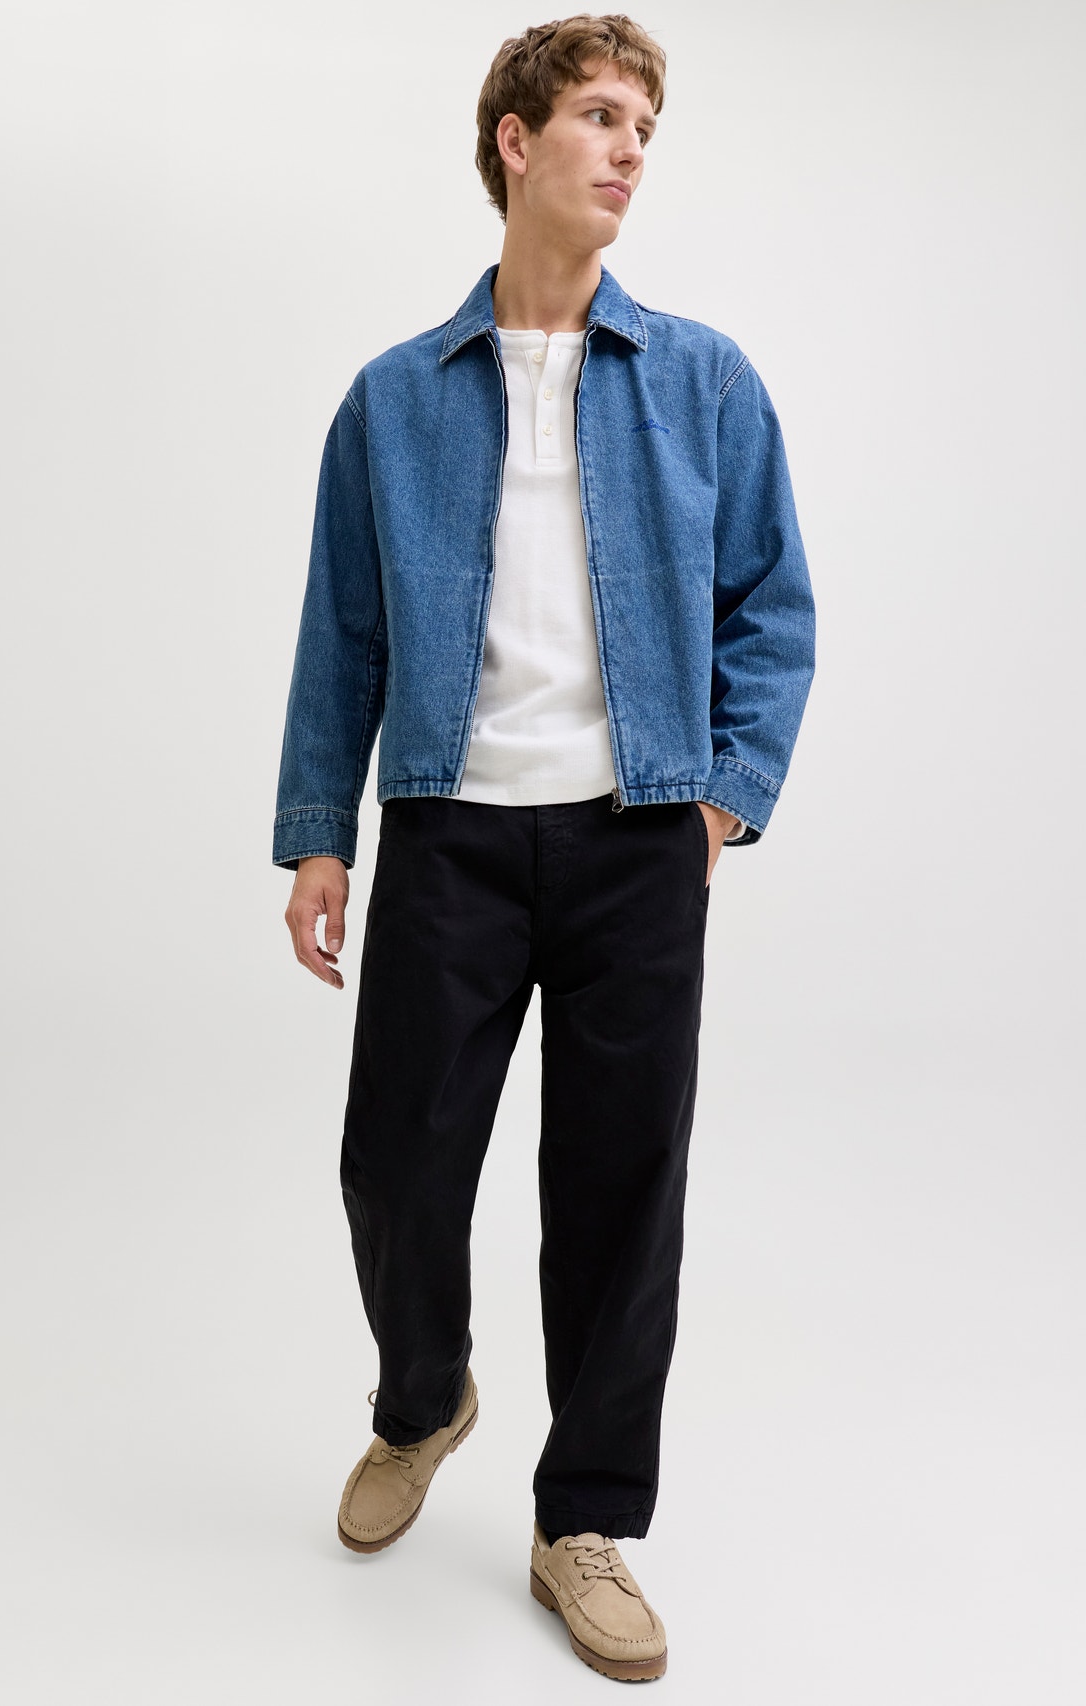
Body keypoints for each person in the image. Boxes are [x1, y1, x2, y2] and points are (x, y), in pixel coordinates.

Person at [273, 14, 815, 1684]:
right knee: (395, 1163)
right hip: (449, 829)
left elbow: (772, 605)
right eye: (599, 115)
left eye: (645, 123)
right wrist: (318, 834)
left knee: (620, 1190)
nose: (631, 148)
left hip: (637, 841)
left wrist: (721, 795)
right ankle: (423, 1394)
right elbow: (343, 634)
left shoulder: (706, 381)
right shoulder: (392, 400)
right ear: (515, 141)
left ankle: (583, 1518)